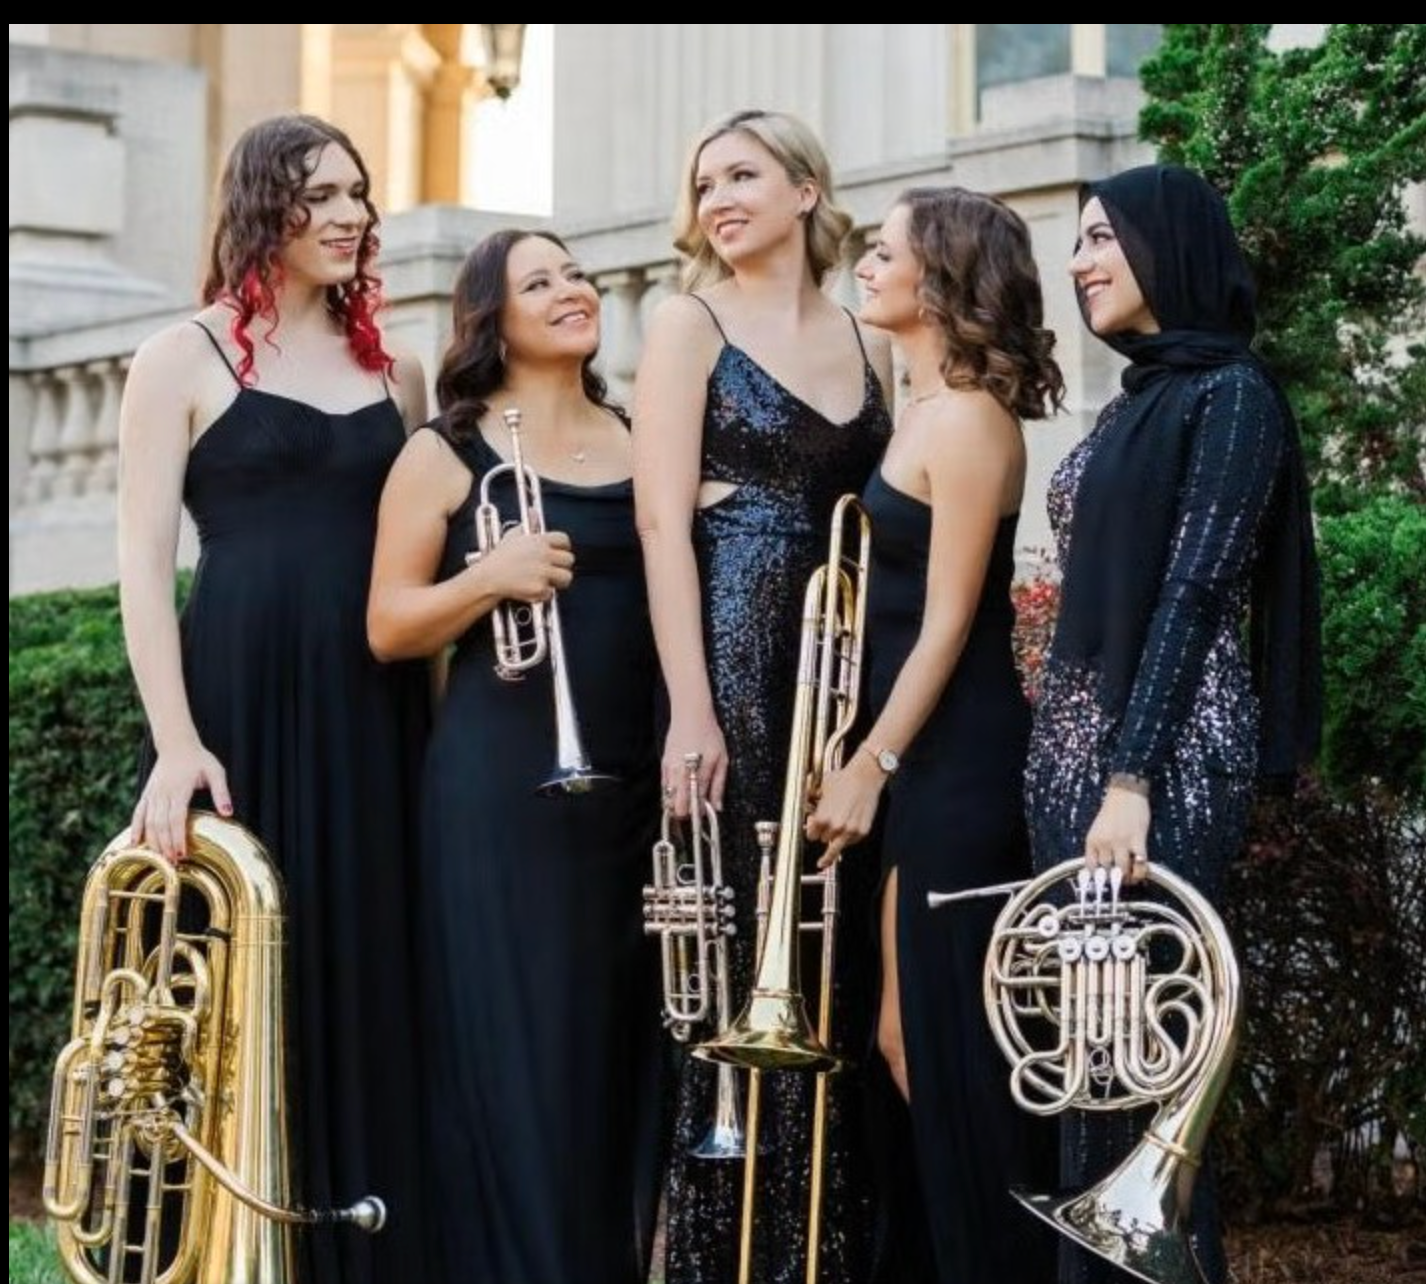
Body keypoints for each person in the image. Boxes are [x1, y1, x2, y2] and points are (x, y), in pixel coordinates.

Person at [117, 113, 432, 1284]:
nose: (350, 215)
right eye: (320, 196)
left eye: (358, 192)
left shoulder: (396, 371)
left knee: (374, 964)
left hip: (377, 709)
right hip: (237, 706)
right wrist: (175, 744)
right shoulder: (180, 357)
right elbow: (142, 568)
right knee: (232, 979)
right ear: (262, 208)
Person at [1024, 163, 1322, 1284]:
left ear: (1170, 246)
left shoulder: (1232, 397)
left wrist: (1131, 775)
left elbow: (1196, 594)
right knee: (1082, 1060)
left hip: (1164, 759)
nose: (1079, 262)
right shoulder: (1136, 398)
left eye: (1101, 237)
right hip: (1080, 758)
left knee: (1146, 1060)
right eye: (1078, 241)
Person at [367, 228, 665, 1284]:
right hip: (502, 799)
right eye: (540, 282)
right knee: (522, 1061)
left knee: (616, 1059)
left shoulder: (642, 433)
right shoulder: (444, 452)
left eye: (575, 273)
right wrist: (488, 578)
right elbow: (389, 625)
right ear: (491, 318)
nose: (573, 290)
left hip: (636, 793)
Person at [633, 108, 892, 1284]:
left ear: (805, 189)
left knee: (832, 942)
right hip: (731, 657)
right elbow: (658, 521)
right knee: (738, 937)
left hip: (841, 670)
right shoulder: (687, 322)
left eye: (741, 175)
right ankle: (720, 1255)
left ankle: (824, 1252)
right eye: (704, 185)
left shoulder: (869, 333)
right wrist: (689, 706)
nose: (718, 201)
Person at [806, 185, 1062, 1284]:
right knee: (896, 1040)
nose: (865, 265)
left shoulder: (965, 421)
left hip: (955, 761)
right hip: (916, 753)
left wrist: (872, 763)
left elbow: (951, 620)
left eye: (885, 250)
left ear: (943, 274)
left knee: (936, 1045)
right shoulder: (920, 406)